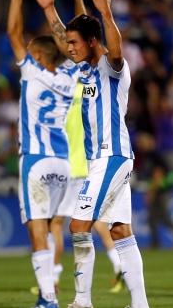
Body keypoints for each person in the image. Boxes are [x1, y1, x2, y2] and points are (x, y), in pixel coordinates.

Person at [34, 0, 149, 308]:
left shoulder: (112, 69)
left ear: (92, 41)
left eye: (74, 43)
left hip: (111, 156)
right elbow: (65, 35)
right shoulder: (83, 71)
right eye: (67, 43)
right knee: (119, 231)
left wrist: (108, 15)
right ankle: (140, 304)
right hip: (106, 159)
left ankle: (82, 301)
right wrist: (49, 8)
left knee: (78, 225)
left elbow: (114, 49)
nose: (68, 48)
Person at [8, 0, 79, 308]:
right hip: (63, 162)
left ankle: (48, 298)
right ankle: (54, 290)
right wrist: (51, 11)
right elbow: (68, 45)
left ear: (37, 57)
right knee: (54, 227)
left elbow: (12, 31)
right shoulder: (68, 75)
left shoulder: (31, 72)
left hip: (35, 160)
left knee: (37, 229)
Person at [50, 80, 125, 294]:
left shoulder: (60, 92)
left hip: (67, 167)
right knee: (97, 220)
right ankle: (119, 264)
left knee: (56, 224)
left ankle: (53, 279)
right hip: (89, 164)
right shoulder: (90, 90)